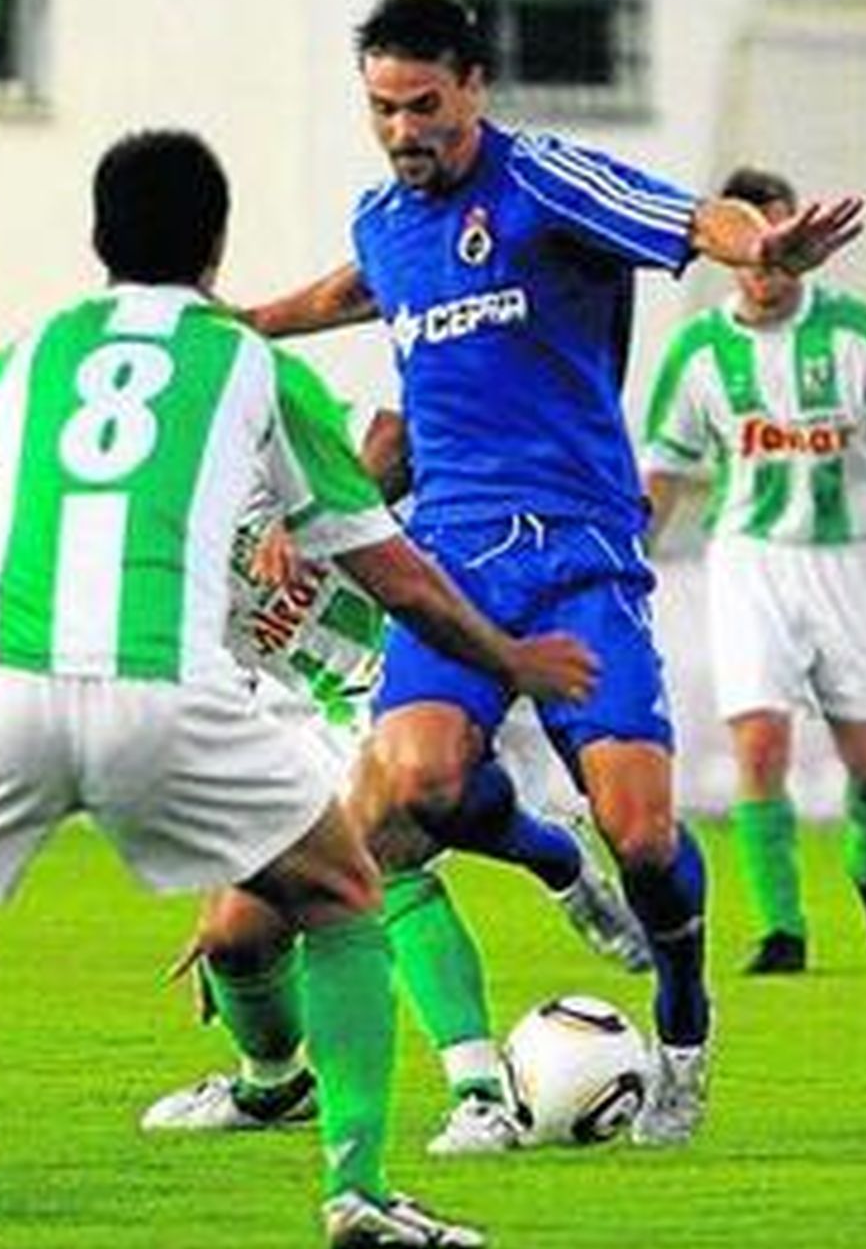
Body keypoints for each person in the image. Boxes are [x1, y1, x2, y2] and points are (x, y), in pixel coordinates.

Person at [0, 129, 601, 1249]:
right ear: (217, 244)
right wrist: (507, 657)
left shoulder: (38, 348)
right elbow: (390, 566)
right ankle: (357, 1185)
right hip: (167, 695)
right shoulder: (255, 366)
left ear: (95, 241)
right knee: (348, 896)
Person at [166, 0, 866, 1153]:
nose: (403, 131)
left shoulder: (543, 180)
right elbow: (360, 287)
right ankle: (542, 878)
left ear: (473, 88)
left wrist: (762, 245)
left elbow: (692, 218)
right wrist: (238, 322)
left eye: (423, 105)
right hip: (451, 559)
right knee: (421, 784)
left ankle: (683, 1024)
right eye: (382, 108)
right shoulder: (387, 220)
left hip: (583, 556)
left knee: (644, 834)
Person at [137, 476, 649, 1142]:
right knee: (235, 936)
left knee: (379, 857)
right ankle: (274, 1087)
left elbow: (389, 436)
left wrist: (304, 517)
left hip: (426, 660)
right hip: (323, 719)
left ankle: (480, 1097)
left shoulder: (251, 445)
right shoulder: (155, 595)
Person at [642, 166, 866, 976]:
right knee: (761, 741)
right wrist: (628, 558)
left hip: (846, 559)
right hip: (749, 561)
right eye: (753, 256)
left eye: (781, 255)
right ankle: (781, 929)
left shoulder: (858, 333)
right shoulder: (699, 351)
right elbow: (664, 464)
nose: (765, 272)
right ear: (730, 252)